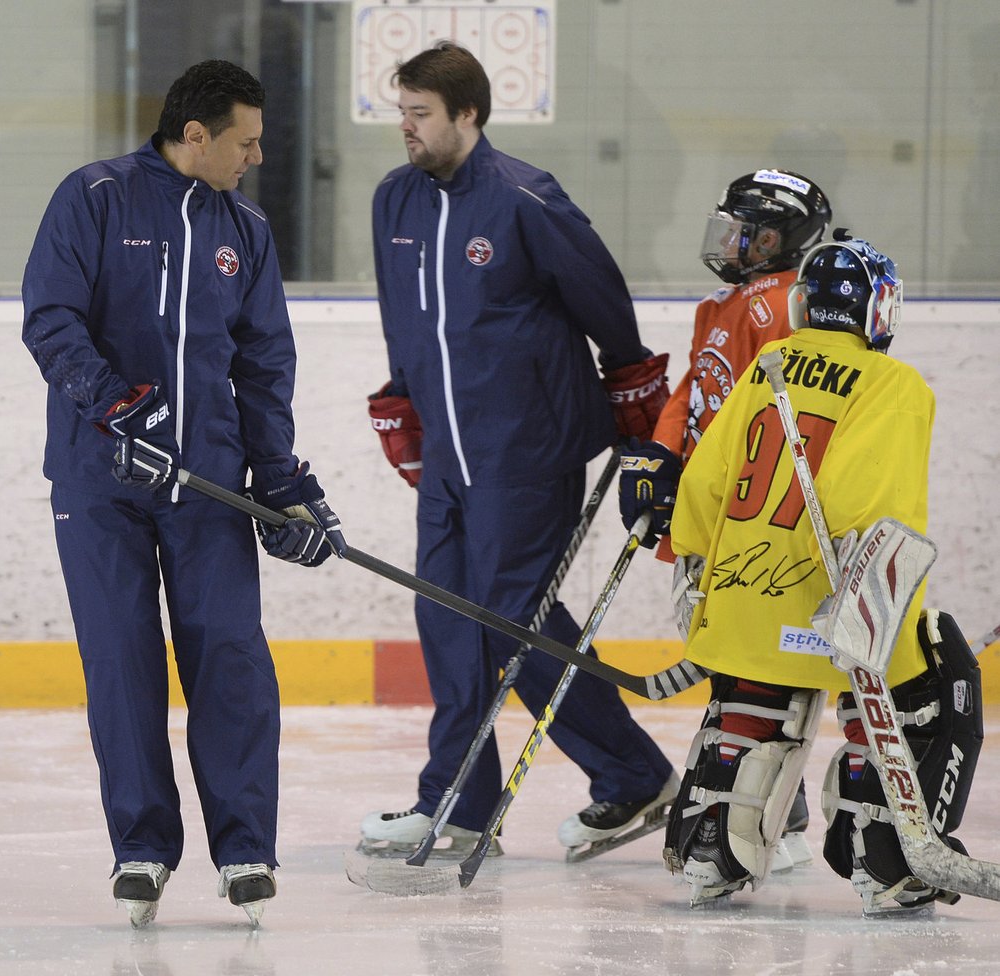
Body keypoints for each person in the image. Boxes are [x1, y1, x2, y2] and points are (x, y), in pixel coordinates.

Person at [21, 60, 340, 928]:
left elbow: (264, 361)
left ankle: (244, 847)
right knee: (121, 663)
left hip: (208, 488)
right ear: (195, 136)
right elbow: (49, 316)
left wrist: (279, 481)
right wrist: (116, 404)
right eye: (246, 141)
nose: (257, 157)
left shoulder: (248, 229)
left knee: (230, 658)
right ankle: (143, 845)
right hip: (98, 483)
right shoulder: (93, 197)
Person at [360, 41, 678, 861]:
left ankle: (632, 774)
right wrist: (402, 400)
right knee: (447, 618)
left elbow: (602, 298)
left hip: (527, 450)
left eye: (420, 114)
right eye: (402, 112)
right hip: (449, 459)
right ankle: (461, 804)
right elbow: (407, 319)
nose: (407, 128)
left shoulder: (525, 199)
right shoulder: (393, 202)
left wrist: (636, 393)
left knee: (512, 619)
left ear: (467, 114)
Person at [659, 235, 983, 914]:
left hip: (747, 605)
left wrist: (696, 572)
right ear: (878, 311)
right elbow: (871, 511)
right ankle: (887, 857)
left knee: (753, 688)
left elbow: (704, 482)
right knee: (940, 674)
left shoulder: (768, 366)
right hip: (832, 610)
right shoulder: (894, 384)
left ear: (806, 305)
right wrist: (864, 617)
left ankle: (714, 845)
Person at [618, 169, 831, 871]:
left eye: (752, 234)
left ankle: (776, 804)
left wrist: (704, 485)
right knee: (723, 649)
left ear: (785, 242)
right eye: (731, 229)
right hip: (709, 508)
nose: (734, 244)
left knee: (751, 659)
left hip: (743, 519)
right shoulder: (724, 303)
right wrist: (657, 454)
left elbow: (767, 425)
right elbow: (692, 387)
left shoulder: (781, 309)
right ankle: (768, 799)